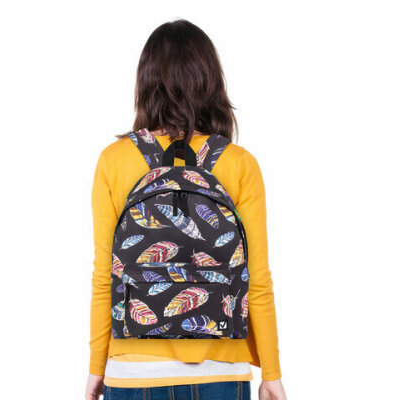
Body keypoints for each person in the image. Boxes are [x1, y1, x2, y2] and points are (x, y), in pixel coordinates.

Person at [85, 19, 287, 400]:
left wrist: (98, 368)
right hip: (220, 371)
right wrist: (271, 374)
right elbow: (257, 281)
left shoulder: (113, 161)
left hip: (132, 371)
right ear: (211, 82)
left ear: (145, 84)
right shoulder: (240, 164)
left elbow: (104, 277)